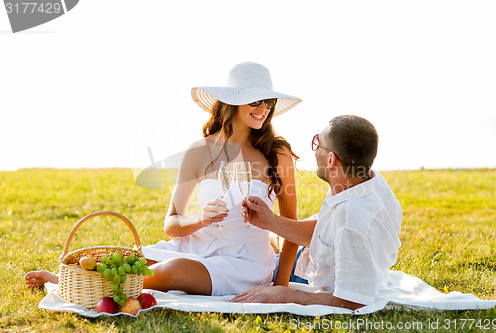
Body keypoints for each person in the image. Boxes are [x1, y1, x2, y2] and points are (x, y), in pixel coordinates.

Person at [25, 62, 303, 297]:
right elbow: (171, 225)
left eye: (269, 102)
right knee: (129, 259)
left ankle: (73, 285)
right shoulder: (199, 150)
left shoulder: (277, 154)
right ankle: (74, 282)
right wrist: (202, 220)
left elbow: (292, 229)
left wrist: (279, 290)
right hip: (194, 246)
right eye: (256, 100)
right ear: (232, 101)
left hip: (243, 263)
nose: (264, 108)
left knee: (171, 271)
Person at [231, 115, 402, 310]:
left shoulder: (352, 222)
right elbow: (327, 232)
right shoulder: (362, 181)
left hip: (308, 273)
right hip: (312, 256)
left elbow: (353, 301)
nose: (314, 151)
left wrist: (284, 294)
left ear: (331, 159)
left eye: (317, 144)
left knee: (241, 271)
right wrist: (270, 221)